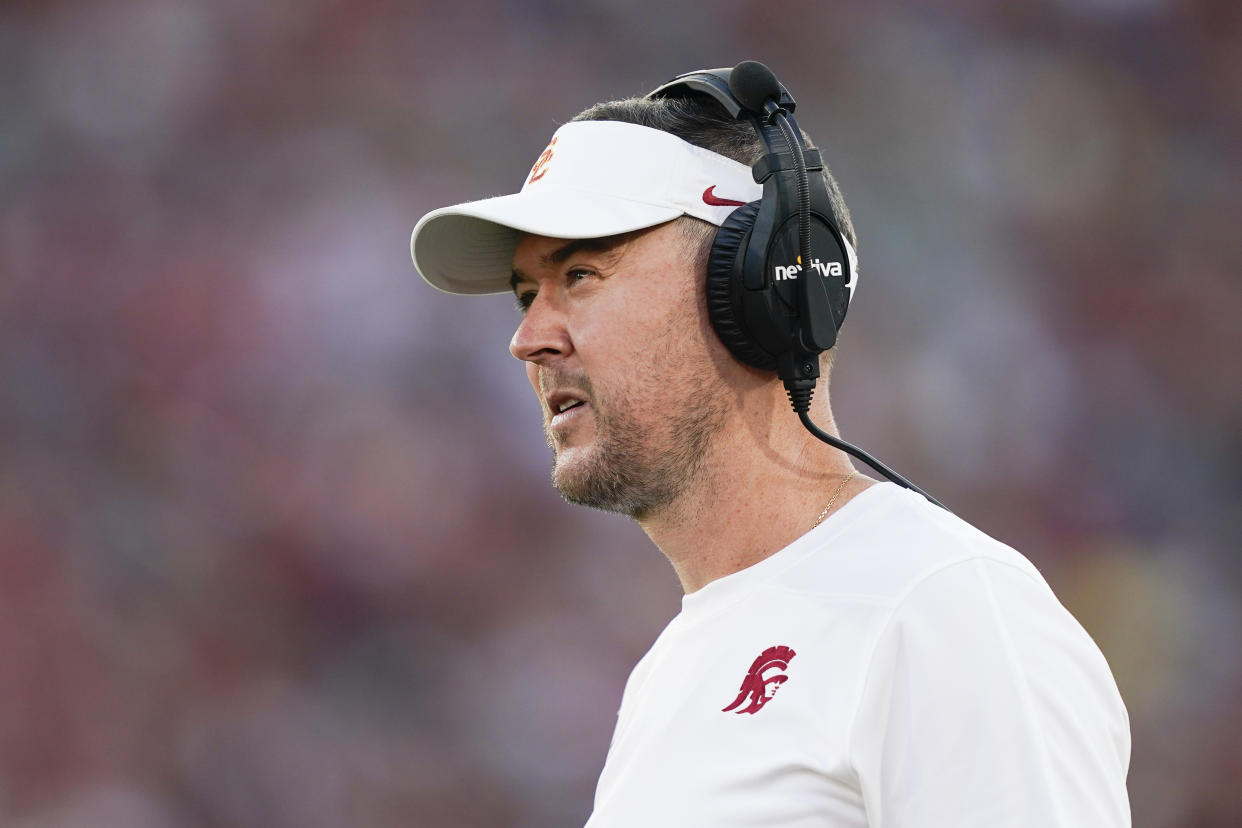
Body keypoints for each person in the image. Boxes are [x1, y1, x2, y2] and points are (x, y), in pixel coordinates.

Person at [410, 62, 1131, 827]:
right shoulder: (670, 674)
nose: (528, 339)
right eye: (526, 297)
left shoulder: (937, 607)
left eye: (582, 273)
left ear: (761, 286)